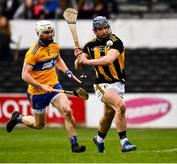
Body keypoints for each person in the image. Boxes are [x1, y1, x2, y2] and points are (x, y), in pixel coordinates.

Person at [6, 20, 86, 153]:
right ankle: (19, 118)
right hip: (37, 92)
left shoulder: (54, 46)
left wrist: (68, 72)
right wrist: (41, 86)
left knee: (67, 111)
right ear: (38, 34)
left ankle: (74, 145)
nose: (49, 35)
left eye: (51, 32)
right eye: (46, 32)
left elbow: (58, 60)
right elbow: (25, 75)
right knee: (39, 125)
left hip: (54, 86)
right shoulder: (33, 53)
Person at [74, 16, 137, 153]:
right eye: (100, 29)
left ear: (109, 27)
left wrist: (87, 61)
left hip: (118, 83)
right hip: (101, 84)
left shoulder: (116, 41)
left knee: (109, 114)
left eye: (105, 28)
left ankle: (99, 139)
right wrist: (79, 58)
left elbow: (109, 60)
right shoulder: (89, 45)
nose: (103, 31)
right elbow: (78, 67)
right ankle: (124, 142)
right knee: (120, 106)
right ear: (94, 31)